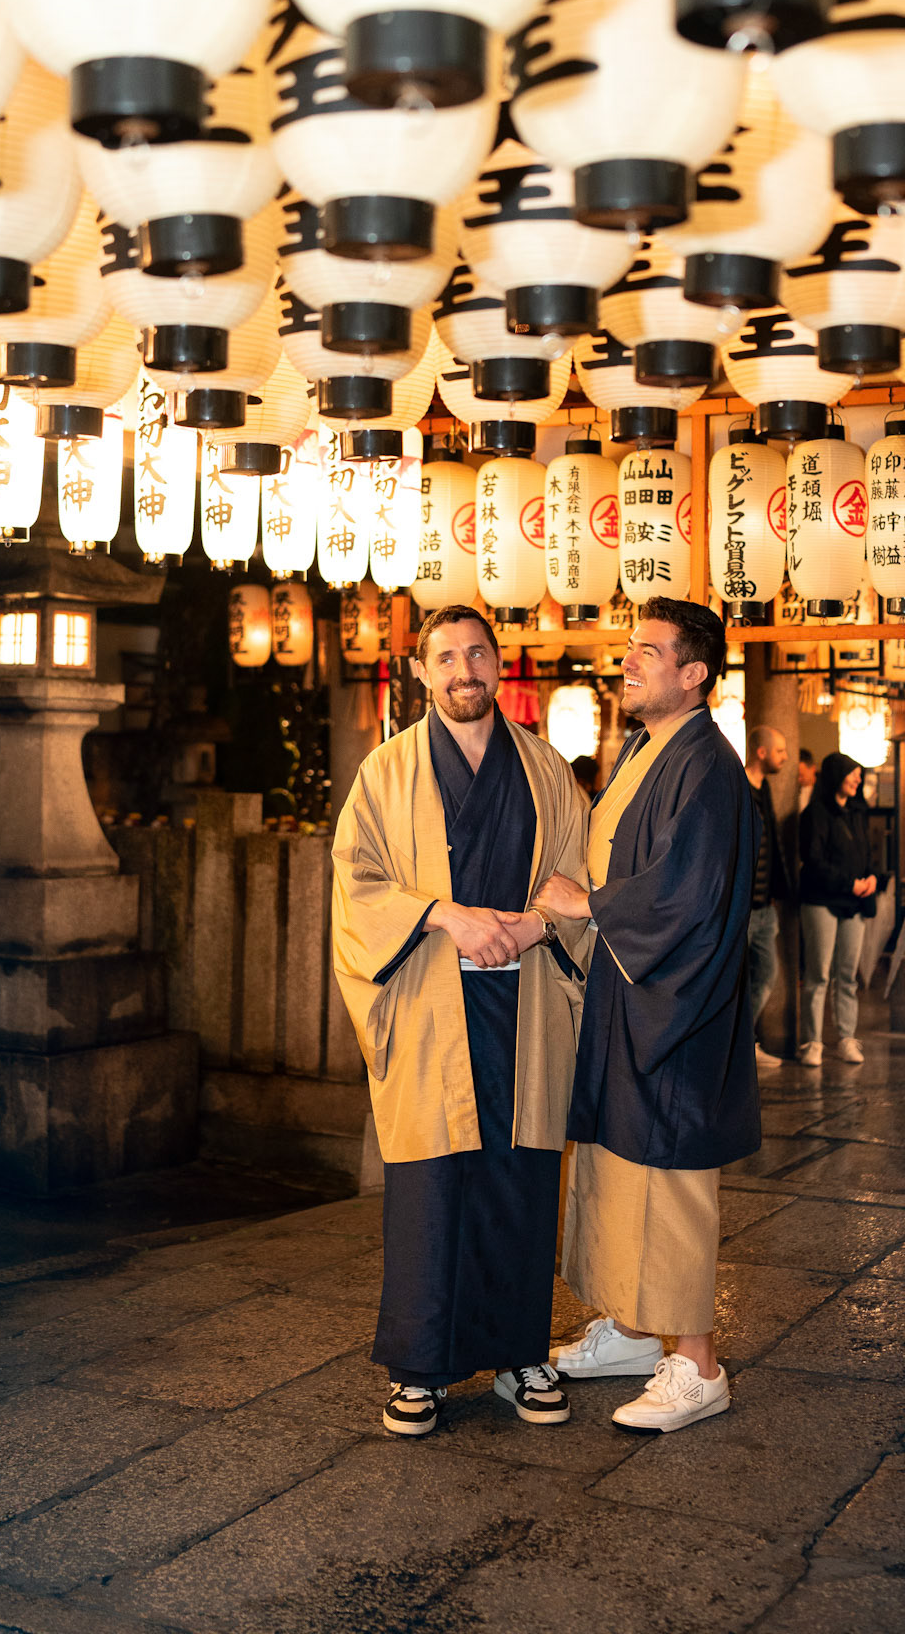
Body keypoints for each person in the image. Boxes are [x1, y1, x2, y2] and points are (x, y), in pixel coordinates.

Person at [331, 605, 589, 1438]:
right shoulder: (387, 772)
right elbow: (356, 886)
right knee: (432, 1189)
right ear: (420, 672)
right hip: (430, 1001)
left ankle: (521, 1353)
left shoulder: (547, 770)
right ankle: (421, 1370)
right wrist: (445, 914)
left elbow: (581, 881)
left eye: (476, 653)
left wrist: (534, 926)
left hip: (526, 1006)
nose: (462, 670)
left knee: (519, 1181)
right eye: (444, 657)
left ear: (499, 662)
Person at [534, 599, 760, 1434]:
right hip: (627, 998)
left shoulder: (706, 765)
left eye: (647, 651)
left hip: (674, 1004)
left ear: (693, 672)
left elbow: (688, 896)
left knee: (666, 1176)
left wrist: (589, 906)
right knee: (614, 1165)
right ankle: (631, 1330)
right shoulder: (645, 748)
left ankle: (697, 1363)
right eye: (627, 648)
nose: (627, 662)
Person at [798, 752, 876, 1067]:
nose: (858, 780)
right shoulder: (814, 813)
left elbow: (867, 852)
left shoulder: (857, 812)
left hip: (854, 902)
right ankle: (812, 1042)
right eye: (852, 775)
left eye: (859, 774)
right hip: (821, 900)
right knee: (818, 975)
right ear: (836, 777)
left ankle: (846, 1038)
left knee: (847, 975)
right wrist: (849, 883)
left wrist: (872, 877)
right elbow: (813, 861)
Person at [745, 724, 792, 1068]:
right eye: (779, 751)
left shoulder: (766, 790)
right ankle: (742, 1046)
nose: (785, 758)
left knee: (766, 974)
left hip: (765, 906)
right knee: (738, 977)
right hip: (743, 908)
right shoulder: (740, 789)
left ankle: (746, 1041)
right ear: (761, 752)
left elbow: (772, 847)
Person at [797, 748, 818, 814]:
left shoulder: (823, 789)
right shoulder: (795, 791)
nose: (799, 779)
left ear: (813, 769)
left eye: (802, 775)